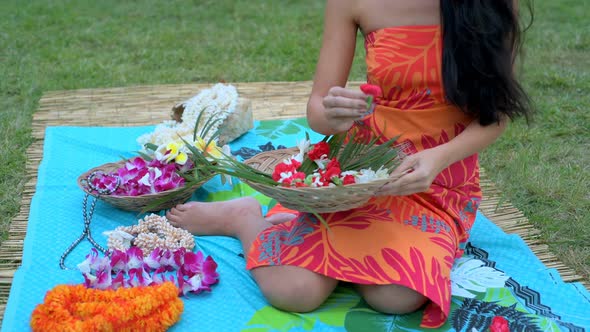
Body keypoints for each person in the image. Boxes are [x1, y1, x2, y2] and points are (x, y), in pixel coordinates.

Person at [167, 0, 533, 328]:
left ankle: (336, 249)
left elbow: (496, 114)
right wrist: (335, 113)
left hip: (436, 179)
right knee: (294, 291)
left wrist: (438, 159)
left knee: (396, 298)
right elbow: (318, 112)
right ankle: (245, 218)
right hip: (363, 172)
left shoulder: (494, 3)